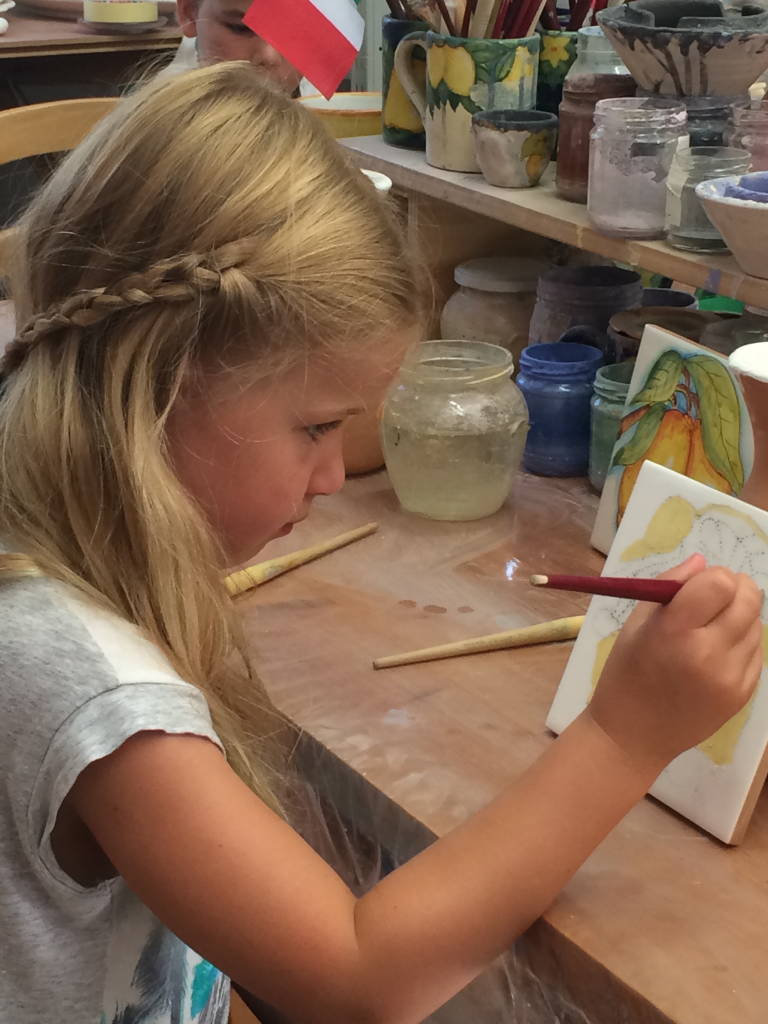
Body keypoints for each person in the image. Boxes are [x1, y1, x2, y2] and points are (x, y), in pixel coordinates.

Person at [0, 63, 763, 1024]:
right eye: (316, 428)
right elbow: (361, 981)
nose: (331, 480)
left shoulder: (46, 541)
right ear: (155, 389)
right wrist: (625, 734)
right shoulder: (88, 683)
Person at [168, 0, 314, 95]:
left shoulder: (327, 115)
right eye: (240, 28)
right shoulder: (156, 131)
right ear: (189, 13)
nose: (270, 56)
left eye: (296, 32)